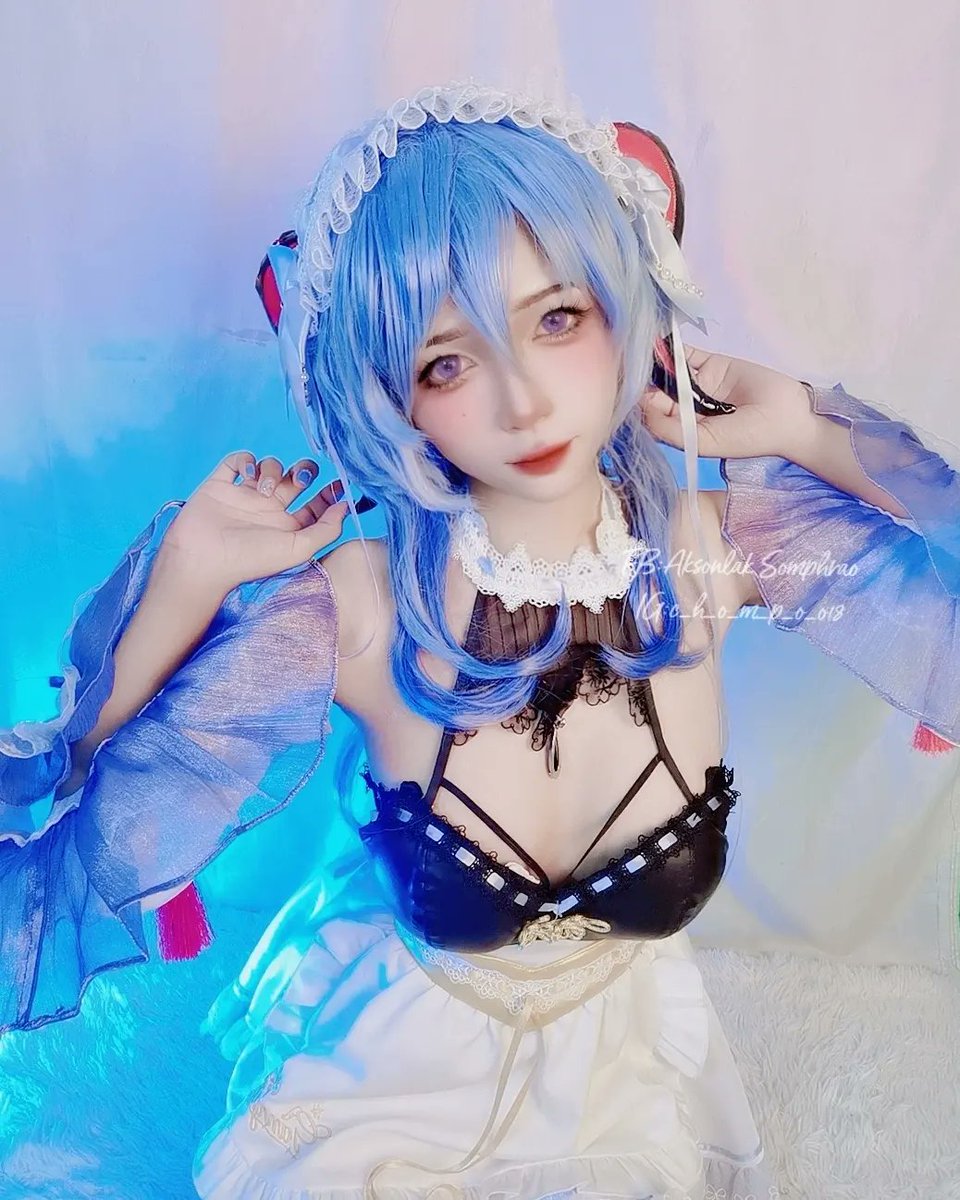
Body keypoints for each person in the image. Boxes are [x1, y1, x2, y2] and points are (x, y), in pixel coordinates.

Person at [2, 81, 958, 1200]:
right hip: (387, 1092)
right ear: (390, 397)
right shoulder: (364, 610)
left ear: (629, 306)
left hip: (621, 1094)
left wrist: (806, 427)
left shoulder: (710, 556)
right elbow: (63, 787)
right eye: (445, 363)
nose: (523, 402)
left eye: (558, 319)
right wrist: (190, 573)